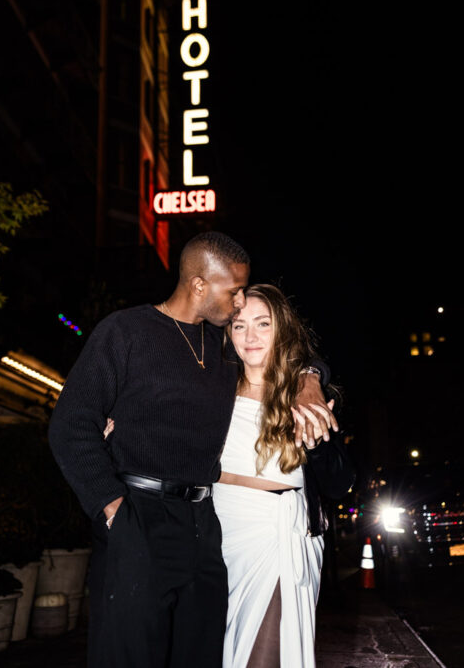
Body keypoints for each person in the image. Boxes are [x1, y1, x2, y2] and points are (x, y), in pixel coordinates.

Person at [48, 232, 337, 668]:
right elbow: (71, 425)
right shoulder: (125, 331)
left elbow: (288, 351)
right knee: (128, 655)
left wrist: (311, 378)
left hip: (205, 525)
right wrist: (111, 509)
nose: (240, 303)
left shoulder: (222, 348)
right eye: (234, 291)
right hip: (137, 514)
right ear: (199, 285)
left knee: (201, 654)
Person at [212, 284, 355, 668]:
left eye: (263, 323)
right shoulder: (212, 388)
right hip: (220, 534)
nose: (251, 336)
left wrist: (317, 436)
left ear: (282, 330)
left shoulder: (304, 395)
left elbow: (340, 483)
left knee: (265, 650)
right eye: (239, 326)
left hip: (278, 534)